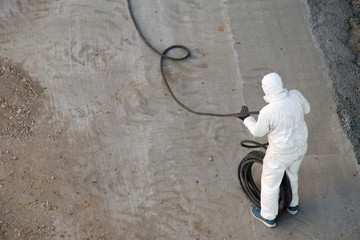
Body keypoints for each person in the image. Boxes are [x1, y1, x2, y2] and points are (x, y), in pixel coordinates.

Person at [238, 72, 310, 228]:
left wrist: (247, 119)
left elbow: (258, 132)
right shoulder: (296, 95)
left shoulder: (268, 111)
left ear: (267, 89)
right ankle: (293, 205)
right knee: (292, 174)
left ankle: (268, 216)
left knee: (270, 183)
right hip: (300, 147)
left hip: (280, 153)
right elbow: (307, 109)